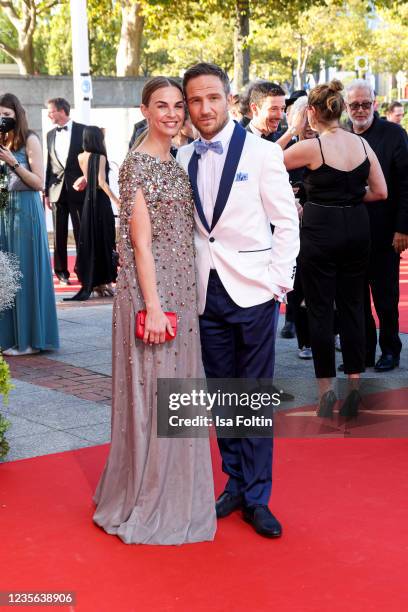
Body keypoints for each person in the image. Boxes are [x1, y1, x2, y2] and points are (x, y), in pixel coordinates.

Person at [93, 76, 216, 545]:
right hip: (154, 294)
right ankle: (148, 494)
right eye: (161, 106)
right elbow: (140, 245)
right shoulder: (137, 165)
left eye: (178, 106)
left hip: (181, 288)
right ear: (144, 110)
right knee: (156, 391)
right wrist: (155, 307)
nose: (172, 113)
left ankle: (174, 489)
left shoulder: (177, 161)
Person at [178, 62, 299, 538]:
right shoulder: (182, 156)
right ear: (187, 106)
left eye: (211, 98)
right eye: (194, 100)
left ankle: (258, 496)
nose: (204, 108)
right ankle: (234, 482)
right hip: (205, 295)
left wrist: (278, 284)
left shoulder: (264, 152)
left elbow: (287, 222)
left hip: (253, 292)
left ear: (228, 99)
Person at [284, 80, 387, 417]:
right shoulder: (361, 145)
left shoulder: (312, 148)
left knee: (320, 309)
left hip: (320, 230)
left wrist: (292, 131)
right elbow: (380, 191)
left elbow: (265, 162)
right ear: (341, 110)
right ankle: (355, 385)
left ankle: (326, 389)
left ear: (311, 112)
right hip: (357, 228)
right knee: (354, 306)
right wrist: (351, 198)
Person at [345, 79, 408, 372]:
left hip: (385, 233)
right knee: (355, 300)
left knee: (385, 298)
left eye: (365, 104)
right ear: (346, 107)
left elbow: (407, 184)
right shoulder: (340, 135)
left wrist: (403, 228)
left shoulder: (394, 134)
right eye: (354, 105)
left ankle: (391, 351)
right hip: (350, 234)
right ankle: (364, 353)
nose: (360, 109)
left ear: (375, 104)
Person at [0, 93, 59, 355]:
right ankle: (10, 337)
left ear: (17, 115)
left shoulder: (30, 139)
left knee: (24, 272)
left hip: (26, 210)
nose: (2, 120)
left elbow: (38, 183)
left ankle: (30, 340)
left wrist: (12, 163)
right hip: (5, 211)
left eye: (7, 116)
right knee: (6, 276)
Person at [63, 126, 119, 302]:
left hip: (88, 202)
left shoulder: (81, 156)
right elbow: (101, 182)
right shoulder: (101, 156)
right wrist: (117, 201)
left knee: (92, 240)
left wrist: (83, 179)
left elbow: (89, 177)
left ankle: (98, 284)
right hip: (101, 202)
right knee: (105, 239)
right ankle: (105, 283)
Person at [44, 97, 86, 285]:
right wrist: (46, 191)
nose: (49, 114)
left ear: (62, 111)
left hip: (78, 189)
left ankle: (82, 269)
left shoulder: (83, 130)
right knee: (58, 235)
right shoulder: (50, 135)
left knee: (80, 232)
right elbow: (49, 164)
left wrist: (86, 177)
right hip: (56, 190)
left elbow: (93, 158)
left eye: (51, 111)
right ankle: (61, 273)